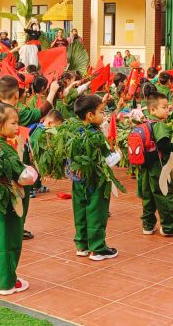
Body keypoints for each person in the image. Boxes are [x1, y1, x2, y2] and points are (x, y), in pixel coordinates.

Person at [0, 102, 29, 295]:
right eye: (13, 123)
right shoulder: (6, 149)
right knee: (9, 240)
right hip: (8, 201)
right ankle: (7, 282)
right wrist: (31, 172)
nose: (17, 127)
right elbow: (22, 175)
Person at [137, 84, 173, 236]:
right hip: (159, 166)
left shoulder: (146, 122)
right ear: (152, 110)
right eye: (164, 107)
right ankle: (169, 227)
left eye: (168, 107)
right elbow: (163, 145)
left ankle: (148, 225)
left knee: (148, 196)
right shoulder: (159, 125)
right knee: (164, 194)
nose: (167, 110)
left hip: (146, 166)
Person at [69, 94, 119, 261]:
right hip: (96, 179)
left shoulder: (74, 131)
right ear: (90, 115)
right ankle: (98, 248)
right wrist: (118, 154)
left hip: (78, 179)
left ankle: (82, 245)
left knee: (80, 210)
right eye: (101, 111)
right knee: (96, 212)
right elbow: (108, 160)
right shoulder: (95, 135)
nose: (104, 115)